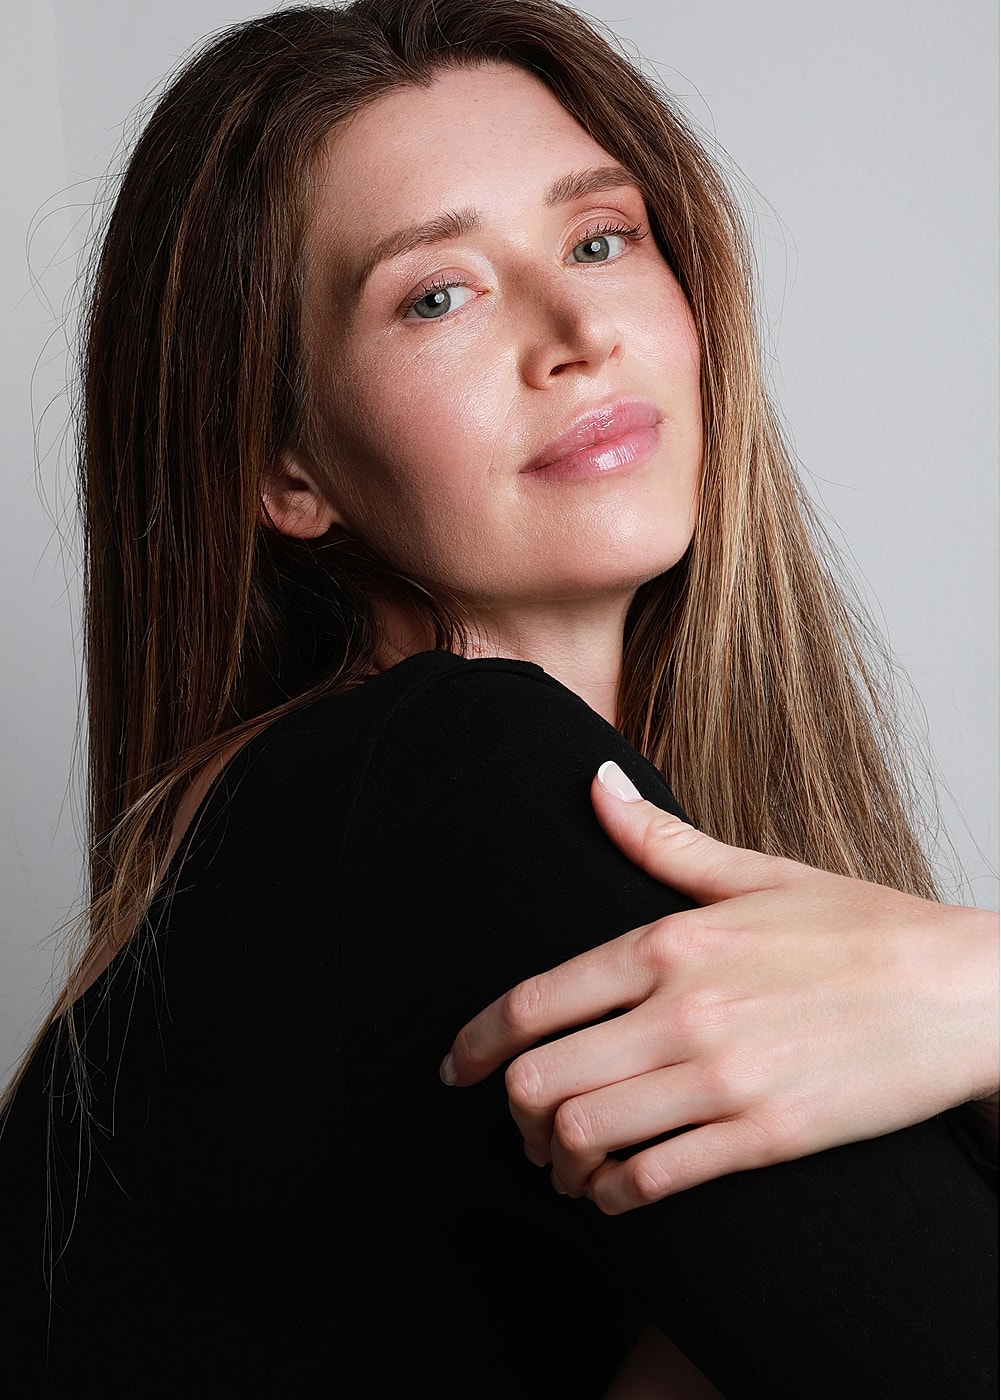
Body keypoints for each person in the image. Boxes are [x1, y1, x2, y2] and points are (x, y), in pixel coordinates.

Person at [0, 1, 995, 1395]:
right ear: (287, 468)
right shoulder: (431, 781)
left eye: (600, 238)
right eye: (437, 294)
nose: (576, 328)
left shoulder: (370, 824)